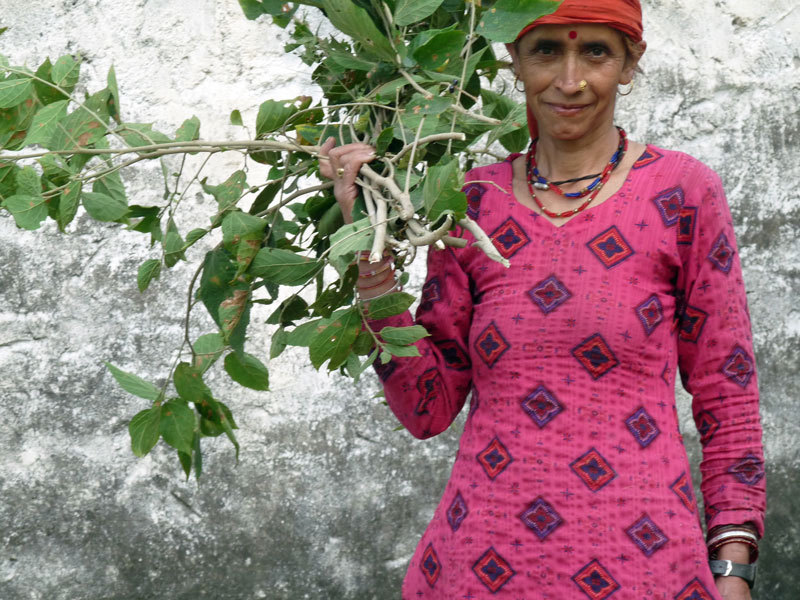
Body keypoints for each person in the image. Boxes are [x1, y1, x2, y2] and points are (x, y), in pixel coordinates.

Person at [319, 1, 765, 598]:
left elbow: (727, 390)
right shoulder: (470, 204)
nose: (570, 80)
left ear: (631, 63)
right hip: (479, 567)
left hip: (644, 568)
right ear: (513, 60)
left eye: (596, 52)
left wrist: (733, 567)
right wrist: (367, 247)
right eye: (546, 50)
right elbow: (426, 408)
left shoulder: (681, 191)